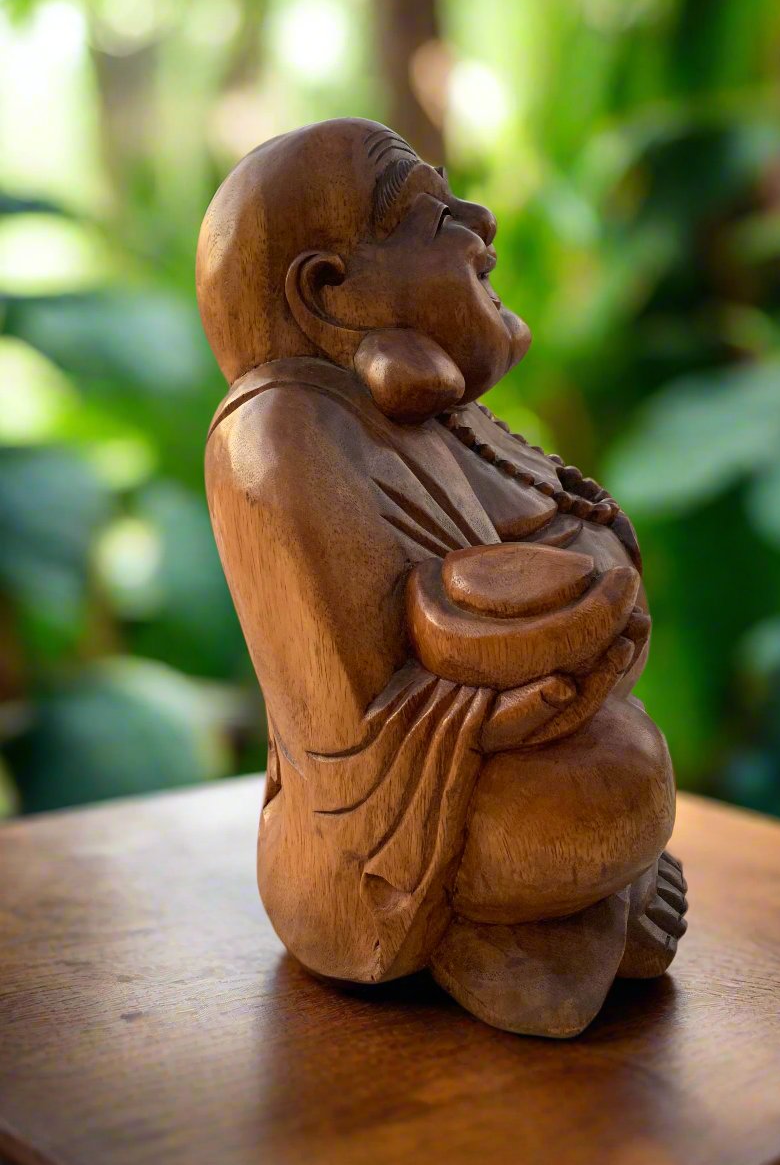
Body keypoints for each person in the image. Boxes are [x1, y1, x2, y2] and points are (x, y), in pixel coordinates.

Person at [198, 118, 687, 1037]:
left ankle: (568, 914)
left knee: (620, 769)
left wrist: (573, 646)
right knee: (603, 790)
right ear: (329, 291)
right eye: (431, 213)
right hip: (374, 860)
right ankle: (530, 923)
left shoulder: (436, 420)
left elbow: (577, 559)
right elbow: (353, 749)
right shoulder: (279, 437)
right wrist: (529, 692)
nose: (483, 221)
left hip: (535, 748)